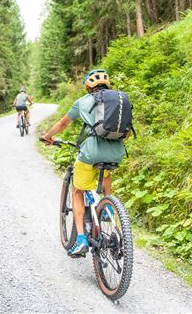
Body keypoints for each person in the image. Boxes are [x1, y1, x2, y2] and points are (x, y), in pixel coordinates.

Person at [40, 69, 126, 257]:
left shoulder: (82, 102)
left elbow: (63, 124)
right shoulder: (119, 100)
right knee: (106, 170)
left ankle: (80, 240)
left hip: (91, 151)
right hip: (116, 152)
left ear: (88, 86)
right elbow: (126, 131)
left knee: (78, 191)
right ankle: (107, 205)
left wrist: (47, 136)